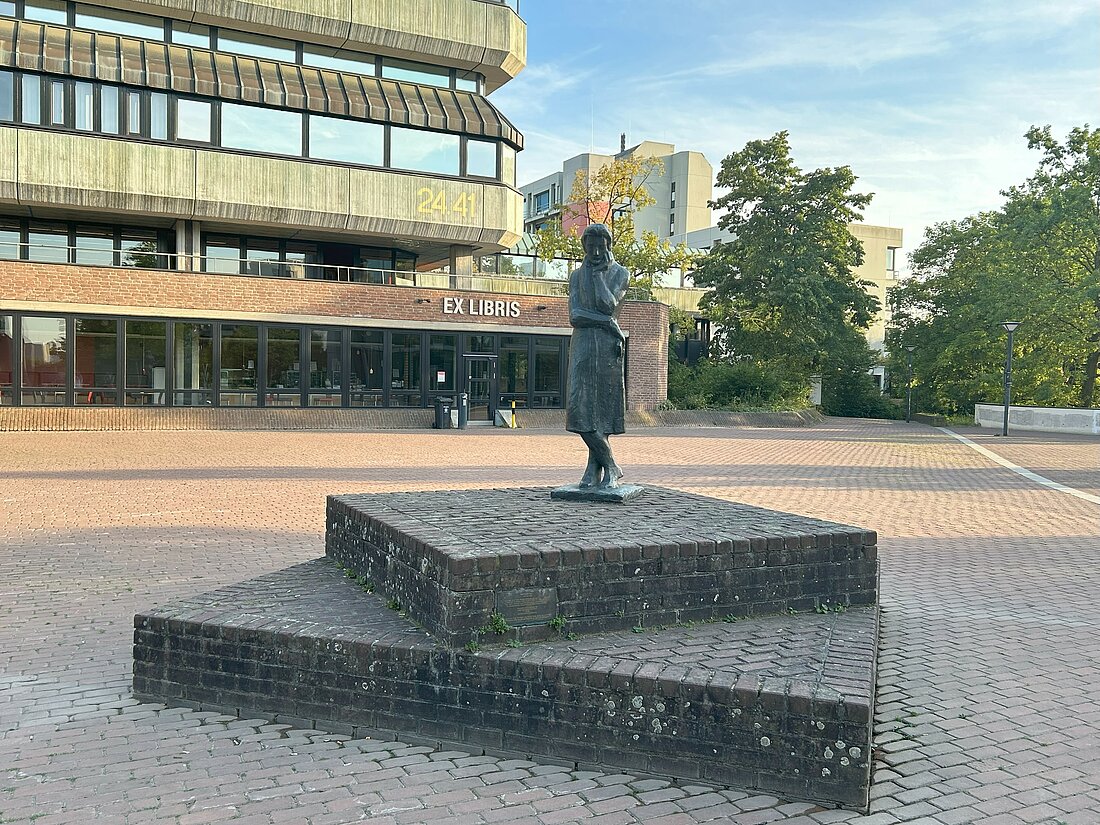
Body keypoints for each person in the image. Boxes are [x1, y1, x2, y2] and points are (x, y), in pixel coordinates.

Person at [566, 223, 629, 488]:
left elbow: (609, 305)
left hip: (606, 349)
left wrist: (598, 276)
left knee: (602, 411)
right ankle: (612, 466)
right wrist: (606, 323)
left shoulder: (620, 274)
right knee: (580, 412)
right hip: (583, 348)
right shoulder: (575, 276)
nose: (594, 252)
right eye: (589, 246)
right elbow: (575, 316)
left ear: (608, 246)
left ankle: (593, 470)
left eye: (599, 246)